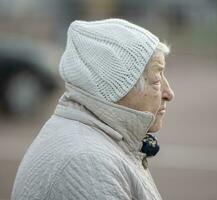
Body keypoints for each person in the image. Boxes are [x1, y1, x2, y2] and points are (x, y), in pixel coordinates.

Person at [11, 18, 174, 200]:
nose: (169, 93)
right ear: (118, 87)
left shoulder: (95, 143)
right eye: (157, 79)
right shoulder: (89, 164)